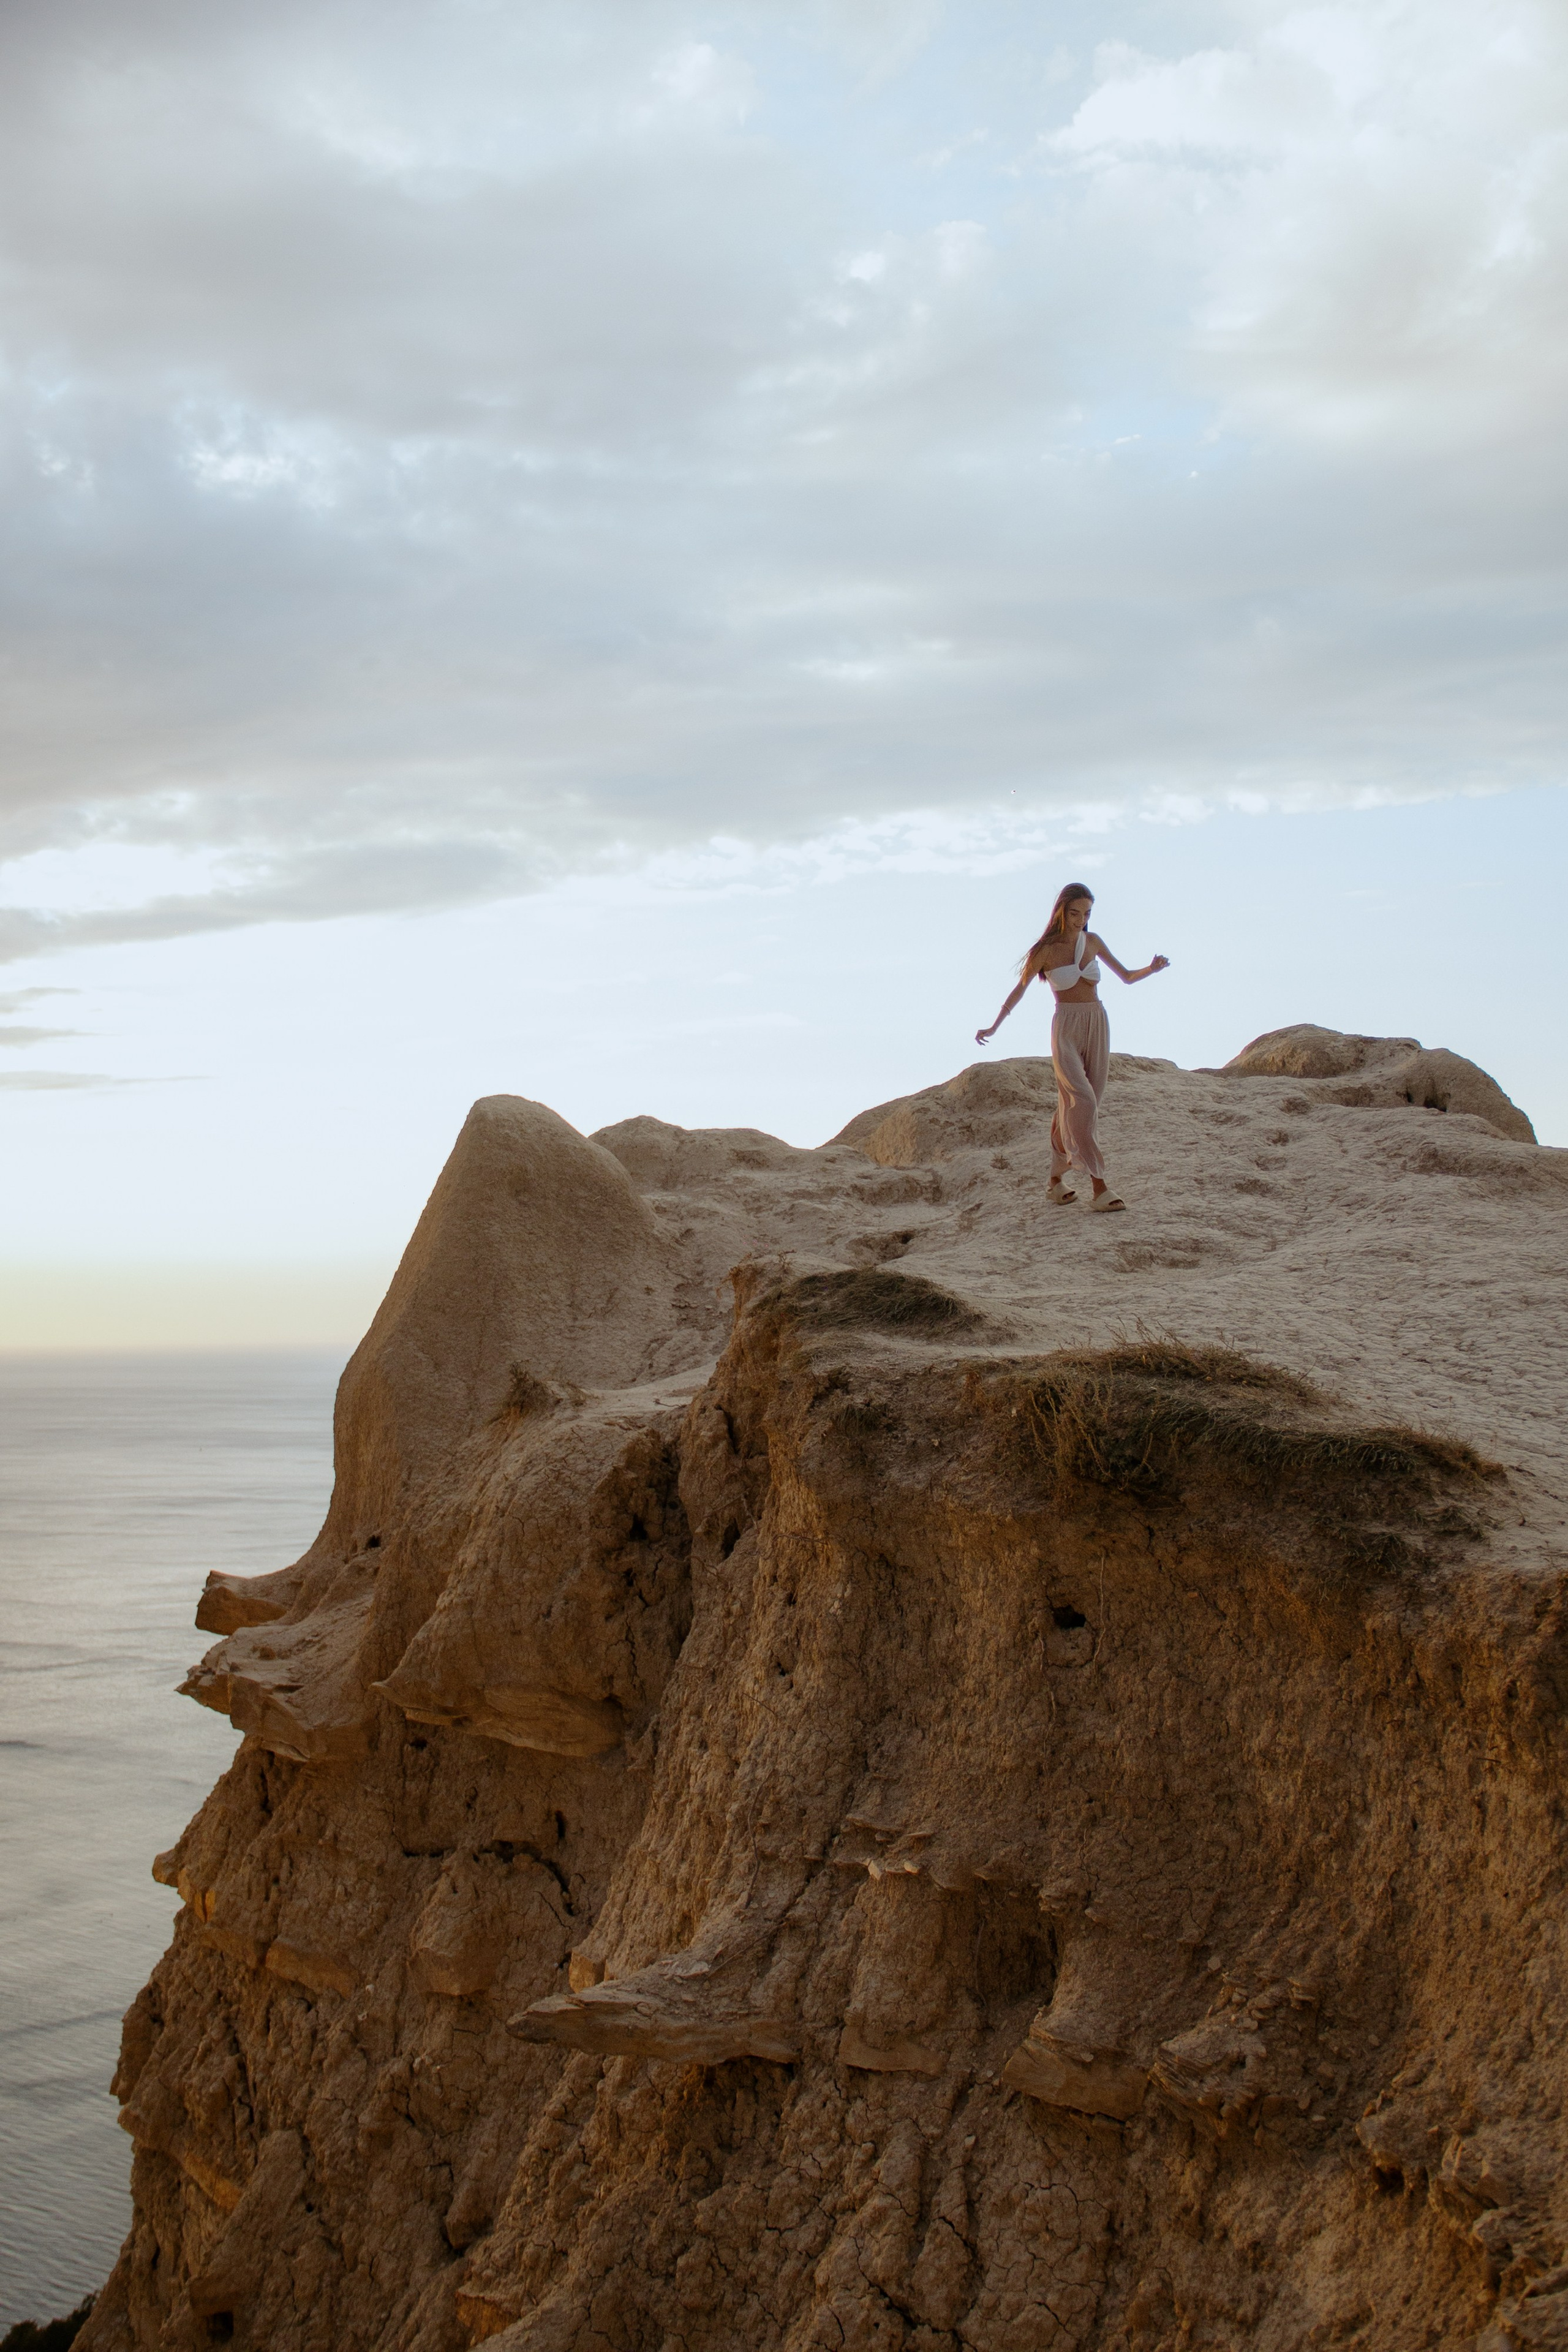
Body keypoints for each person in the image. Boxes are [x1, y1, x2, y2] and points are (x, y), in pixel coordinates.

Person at [974, 883, 1169, 1213]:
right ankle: (1099, 1186)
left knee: (1074, 1105)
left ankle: (1054, 1182)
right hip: (1066, 1027)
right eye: (1075, 913)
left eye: (1087, 913)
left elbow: (1126, 976)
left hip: (1097, 1023)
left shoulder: (1092, 942)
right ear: (1062, 911)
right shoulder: (1045, 951)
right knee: (1084, 1102)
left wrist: (1152, 968)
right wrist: (994, 1025)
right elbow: (1018, 991)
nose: (1081, 920)